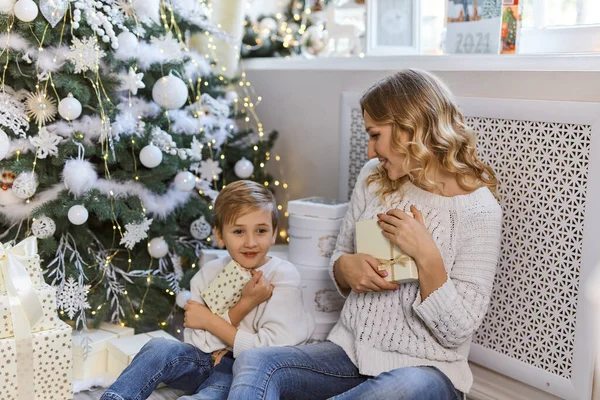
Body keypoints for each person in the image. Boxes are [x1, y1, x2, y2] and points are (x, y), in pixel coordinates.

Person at [227, 69, 503, 400]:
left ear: (410, 129)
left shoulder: (478, 209)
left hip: (428, 373)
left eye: (375, 135)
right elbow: (340, 256)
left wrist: (427, 256)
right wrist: (346, 268)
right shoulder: (373, 177)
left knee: (401, 389)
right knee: (255, 362)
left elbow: (456, 331)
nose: (371, 151)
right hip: (350, 355)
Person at [101, 180, 314, 400]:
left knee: (210, 394)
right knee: (158, 347)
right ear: (220, 235)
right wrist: (243, 306)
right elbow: (199, 342)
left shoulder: (282, 276)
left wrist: (211, 322)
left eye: (261, 230)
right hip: (204, 360)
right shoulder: (210, 272)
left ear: (273, 233)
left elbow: (270, 353)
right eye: (239, 231)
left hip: (244, 373)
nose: (251, 242)